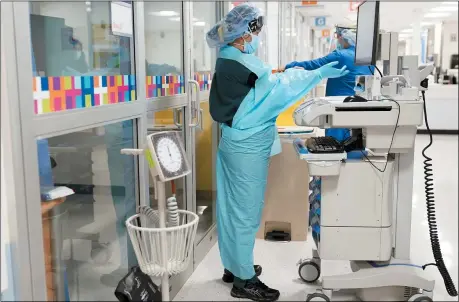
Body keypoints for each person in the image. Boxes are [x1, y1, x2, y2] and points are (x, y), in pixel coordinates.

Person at [206, 4, 349, 301]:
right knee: (245, 213)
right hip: (247, 146)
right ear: (244, 34)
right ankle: (244, 281)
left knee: (230, 207)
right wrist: (316, 73)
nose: (258, 38)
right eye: (256, 32)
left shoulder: (226, 58)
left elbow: (262, 90)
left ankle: (233, 266)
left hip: (233, 141)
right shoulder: (246, 64)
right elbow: (279, 91)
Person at [281, 27, 374, 141]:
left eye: (339, 39)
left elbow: (315, 64)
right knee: (356, 140)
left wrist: (287, 66)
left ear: (345, 40)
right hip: (360, 107)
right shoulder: (367, 59)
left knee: (336, 142)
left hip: (338, 107)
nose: (338, 42)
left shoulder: (341, 55)